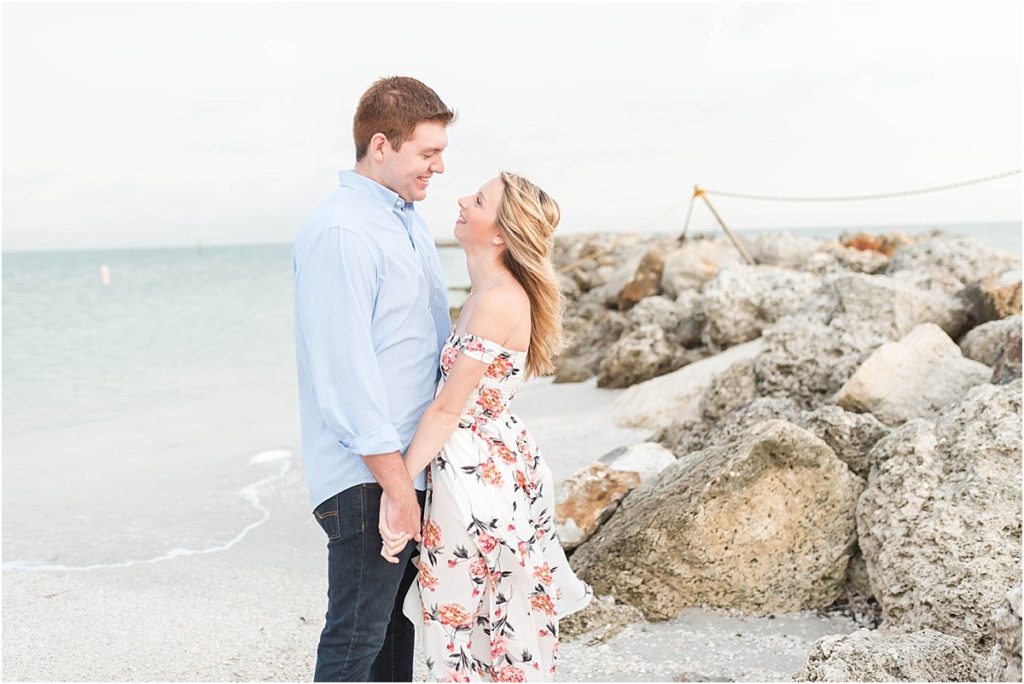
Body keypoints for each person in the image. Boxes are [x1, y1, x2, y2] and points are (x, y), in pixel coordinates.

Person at [380, 172, 594, 681]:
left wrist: (397, 490)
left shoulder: (498, 299)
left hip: (476, 473)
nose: (460, 199)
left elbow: (447, 409)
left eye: (477, 200)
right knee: (481, 615)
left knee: (471, 618)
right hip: (483, 458)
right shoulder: (488, 293)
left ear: (500, 231)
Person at [292, 76, 455, 682]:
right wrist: (396, 487)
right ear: (381, 145)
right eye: (428, 152)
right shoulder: (343, 231)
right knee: (356, 641)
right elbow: (345, 378)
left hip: (404, 470)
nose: (440, 166)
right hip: (369, 478)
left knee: (393, 632)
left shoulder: (404, 220)